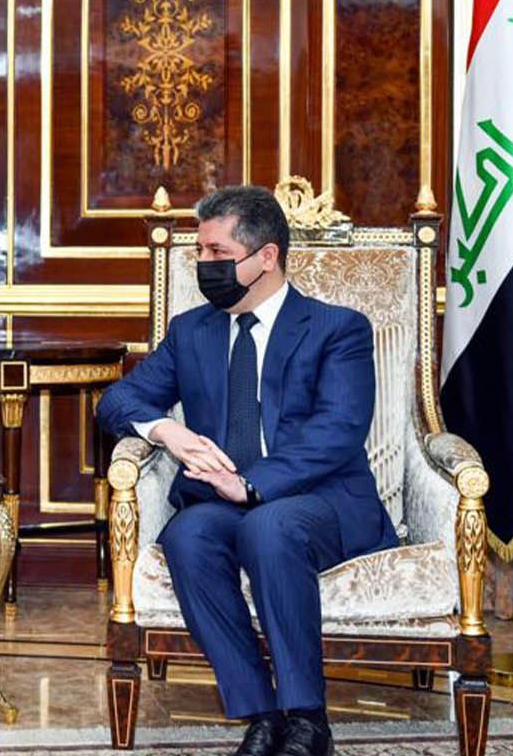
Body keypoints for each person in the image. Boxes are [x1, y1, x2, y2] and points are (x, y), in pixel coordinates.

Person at [97, 185, 396, 756]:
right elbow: (117, 401)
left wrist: (251, 485)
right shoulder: (193, 331)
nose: (203, 263)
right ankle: (260, 714)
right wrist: (167, 432)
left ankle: (307, 720)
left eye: (217, 252)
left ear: (266, 257)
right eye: (200, 252)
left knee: (269, 525)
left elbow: (338, 431)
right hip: (221, 503)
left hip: (320, 500)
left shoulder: (337, 328)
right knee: (187, 535)